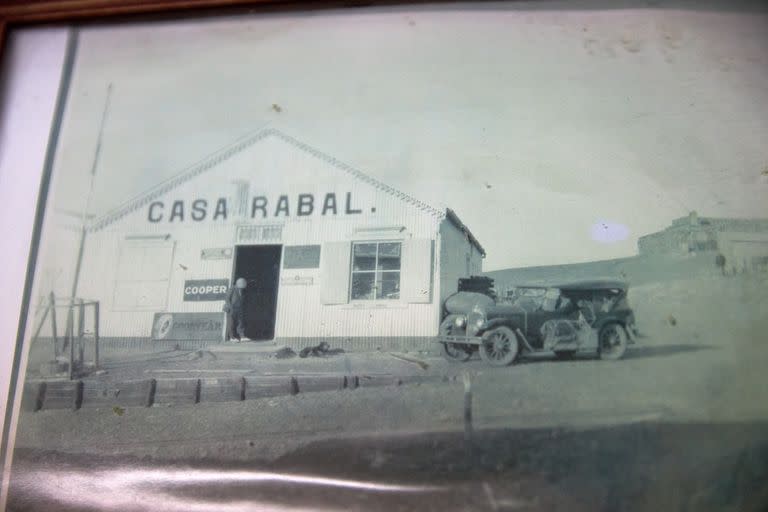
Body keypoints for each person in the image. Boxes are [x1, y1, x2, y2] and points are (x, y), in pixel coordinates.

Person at [224, 277, 250, 342]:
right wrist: (230, 307)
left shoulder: (241, 290)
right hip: (231, 309)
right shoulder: (232, 288)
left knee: (240, 323)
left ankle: (242, 336)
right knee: (231, 323)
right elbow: (227, 298)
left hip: (239, 309)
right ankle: (232, 337)